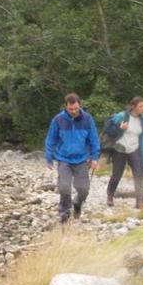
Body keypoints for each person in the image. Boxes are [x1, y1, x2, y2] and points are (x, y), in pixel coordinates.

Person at [45, 93, 101, 223]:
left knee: (84, 189)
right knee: (64, 187)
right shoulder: (58, 119)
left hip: (82, 159)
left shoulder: (87, 119)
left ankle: (77, 203)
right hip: (64, 159)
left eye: (76, 108)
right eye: (71, 109)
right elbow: (50, 139)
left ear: (79, 105)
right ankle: (64, 212)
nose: (74, 111)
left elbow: (94, 139)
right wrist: (48, 158)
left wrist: (94, 157)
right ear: (66, 106)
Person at [104, 96, 143, 208]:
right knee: (117, 174)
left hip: (134, 149)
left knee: (139, 174)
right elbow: (109, 129)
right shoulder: (122, 116)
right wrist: (120, 128)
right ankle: (110, 195)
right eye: (141, 106)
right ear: (133, 107)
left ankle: (140, 201)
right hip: (120, 149)